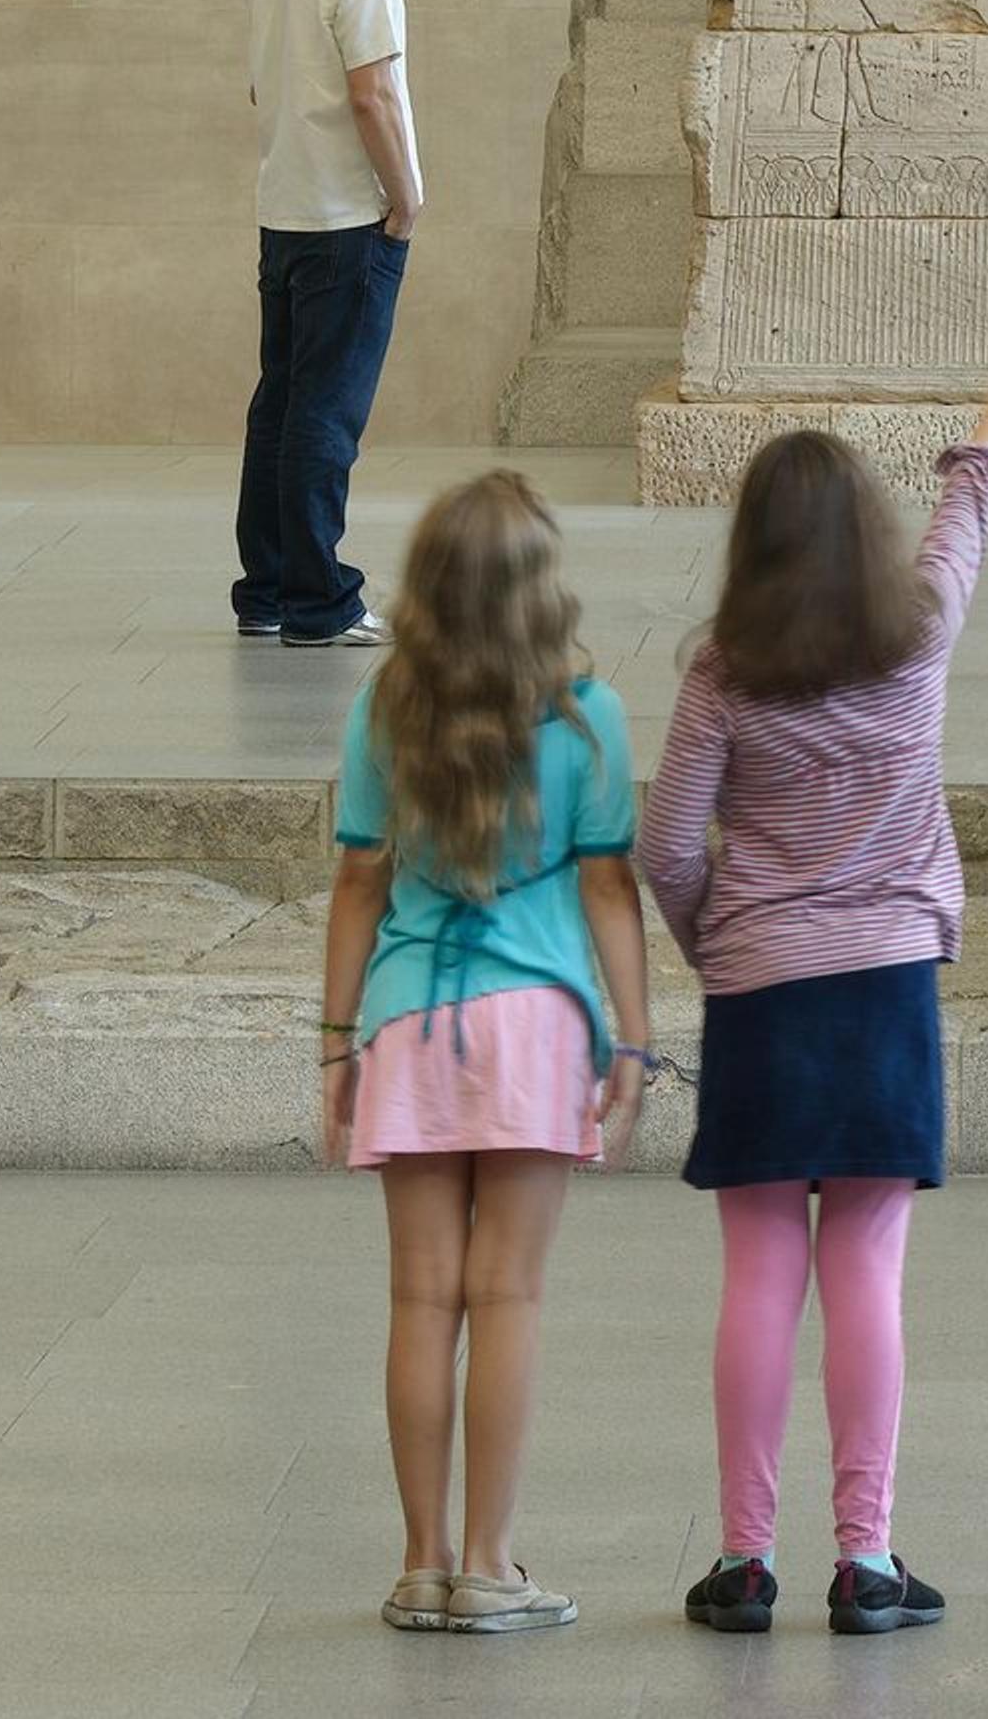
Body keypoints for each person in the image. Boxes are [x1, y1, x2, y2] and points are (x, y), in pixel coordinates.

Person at [643, 340, 988, 1636]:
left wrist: (719, 939)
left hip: (764, 991)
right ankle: (869, 1560)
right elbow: (972, 500)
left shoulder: (723, 666)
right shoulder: (918, 629)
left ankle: (745, 1560)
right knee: (867, 1266)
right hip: (885, 990)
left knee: (760, 1266)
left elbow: (664, 845)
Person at [316, 472, 654, 1636]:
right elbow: (610, 883)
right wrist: (636, 1040)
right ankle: (493, 1564)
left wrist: (332, 1042)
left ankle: (419, 1562)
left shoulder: (384, 707)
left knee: (420, 1296)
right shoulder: (587, 715)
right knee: (507, 1293)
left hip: (411, 1017)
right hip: (537, 1025)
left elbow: (359, 876)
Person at [237, 0, 422, 648]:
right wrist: (406, 195)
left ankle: (268, 588)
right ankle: (320, 601)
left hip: (285, 207)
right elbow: (371, 89)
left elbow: (260, 84)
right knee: (326, 411)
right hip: (351, 212)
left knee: (280, 401)